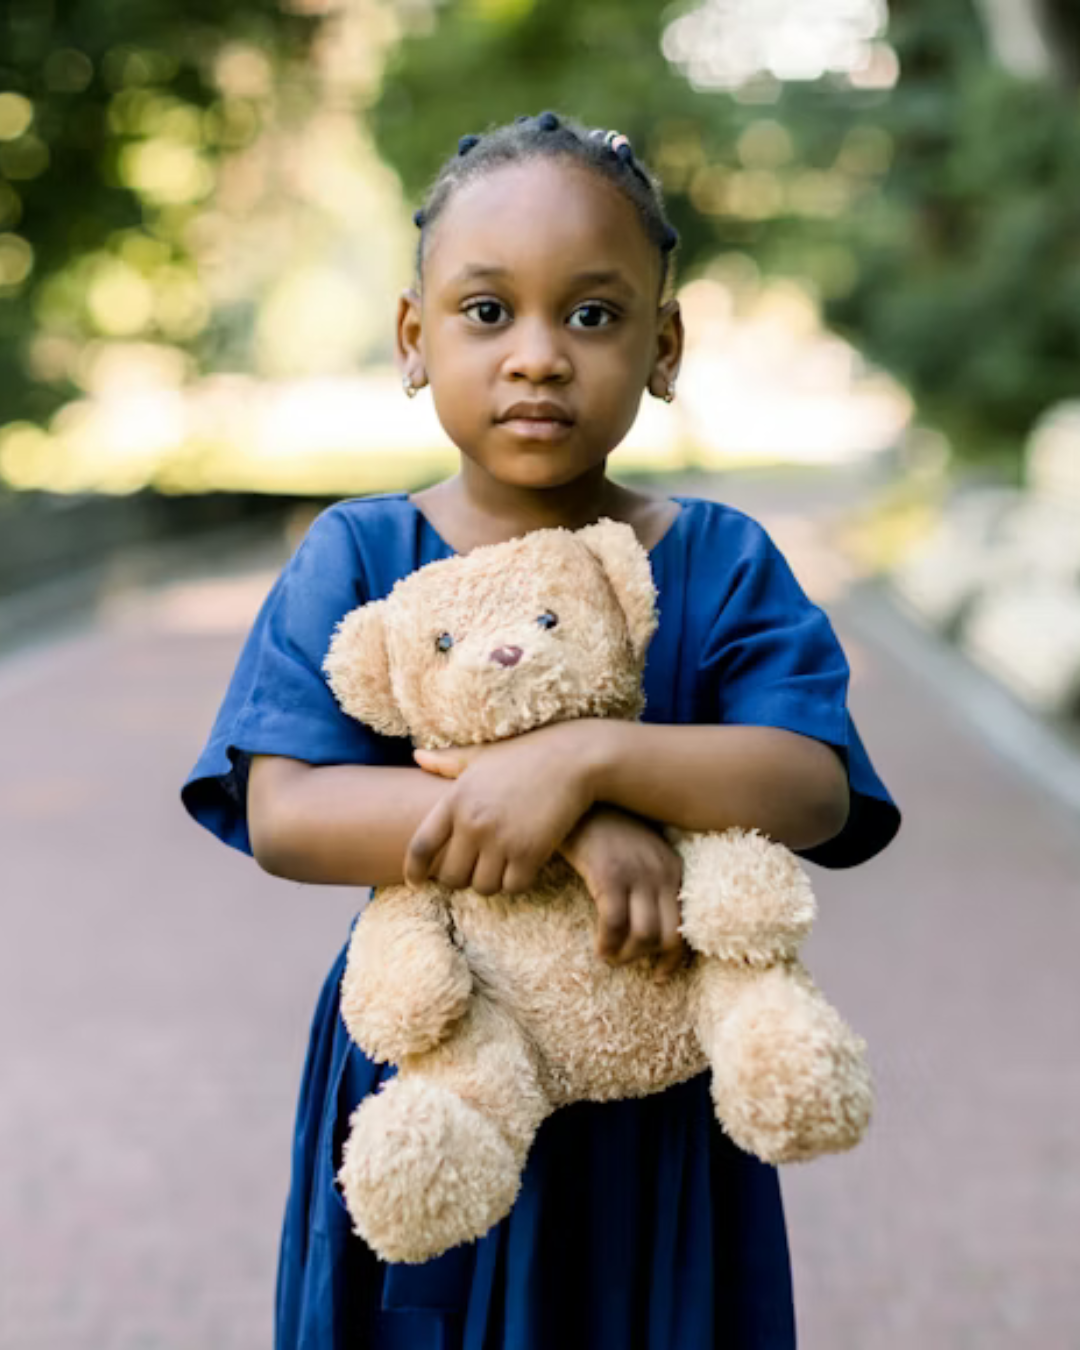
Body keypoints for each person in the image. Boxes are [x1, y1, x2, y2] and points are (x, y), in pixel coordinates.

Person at [182, 109, 901, 1350]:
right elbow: (287, 812)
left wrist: (585, 764)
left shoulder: (721, 563)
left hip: (659, 1095)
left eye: (592, 314)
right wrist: (570, 834)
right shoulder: (359, 555)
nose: (538, 357)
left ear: (664, 347)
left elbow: (810, 788)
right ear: (413, 339)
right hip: (443, 1069)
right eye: (485, 312)